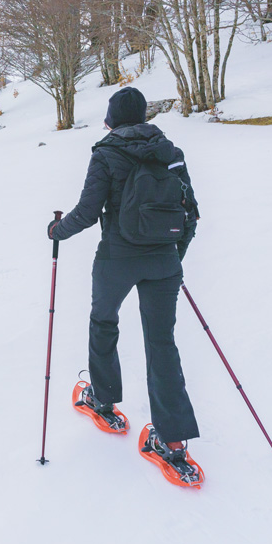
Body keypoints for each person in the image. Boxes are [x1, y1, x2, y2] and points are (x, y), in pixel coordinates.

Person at [47, 86, 203, 486]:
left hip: (117, 257)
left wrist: (56, 231)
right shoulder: (170, 153)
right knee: (162, 343)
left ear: (113, 119)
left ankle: (103, 398)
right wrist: (172, 256)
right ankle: (172, 443)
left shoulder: (106, 153)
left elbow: (85, 211)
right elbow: (192, 212)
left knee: (103, 321)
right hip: (163, 261)